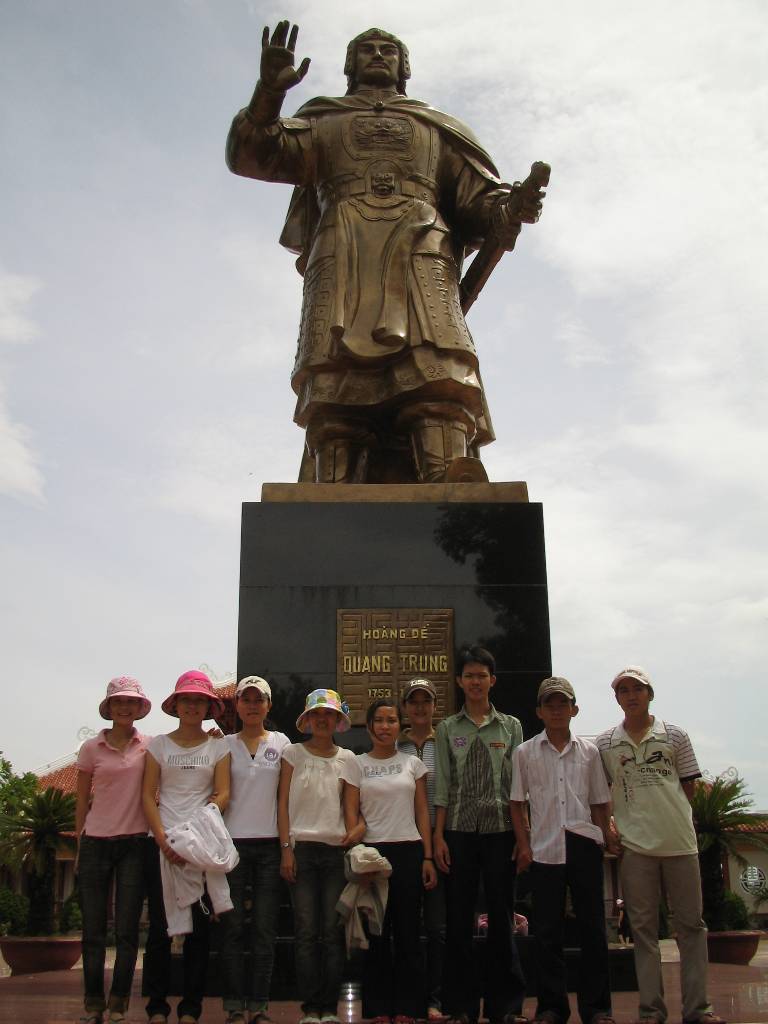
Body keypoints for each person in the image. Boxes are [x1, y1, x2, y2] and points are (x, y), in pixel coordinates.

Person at [226, 22, 545, 483]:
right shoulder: (324, 119)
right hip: (344, 248)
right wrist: (267, 96)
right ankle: (331, 486)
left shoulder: (433, 126)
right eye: (367, 50)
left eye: (389, 50)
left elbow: (477, 200)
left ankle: (446, 475)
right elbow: (254, 153)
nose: (378, 55)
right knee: (336, 381)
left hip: (423, 248)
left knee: (439, 369)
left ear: (404, 67)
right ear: (350, 67)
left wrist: (510, 205)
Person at [596, 667, 725, 1024]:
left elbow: (687, 786)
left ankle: (698, 1009)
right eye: (623, 690)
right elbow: (602, 792)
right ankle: (651, 1010)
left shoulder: (675, 736)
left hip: (680, 844)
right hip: (636, 847)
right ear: (617, 698)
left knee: (691, 927)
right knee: (643, 931)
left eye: (637, 688)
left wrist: (674, 817)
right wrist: (611, 826)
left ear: (650, 693)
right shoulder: (606, 742)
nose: (631, 695)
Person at [510, 676, 616, 1024]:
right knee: (547, 933)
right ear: (539, 711)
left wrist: (606, 837)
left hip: (583, 842)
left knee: (592, 929)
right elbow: (516, 804)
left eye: (563, 703)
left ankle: (597, 1008)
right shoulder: (525, 752)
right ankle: (552, 1007)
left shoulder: (589, 751)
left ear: (574, 709)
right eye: (549, 704)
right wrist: (524, 845)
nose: (557, 709)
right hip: (544, 847)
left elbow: (600, 802)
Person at [433, 646, 527, 1024]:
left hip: (501, 832)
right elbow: (442, 787)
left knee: (502, 919)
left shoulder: (511, 726)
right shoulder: (447, 728)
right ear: (459, 681)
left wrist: (523, 839)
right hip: (458, 832)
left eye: (481, 675)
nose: (475, 681)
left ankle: (505, 1006)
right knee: (458, 921)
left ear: (492, 680)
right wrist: (438, 837)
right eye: (468, 675)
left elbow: (518, 790)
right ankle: (461, 1006)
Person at [141, 670, 231, 1024]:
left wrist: (198, 829)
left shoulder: (217, 746)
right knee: (160, 928)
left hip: (201, 844)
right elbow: (148, 795)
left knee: (199, 929)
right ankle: (157, 1005)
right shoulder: (159, 746)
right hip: (161, 843)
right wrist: (163, 839)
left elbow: (223, 793)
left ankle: (191, 1007)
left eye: (199, 700)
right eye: (187, 699)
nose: (192, 706)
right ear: (176, 704)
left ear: (209, 707)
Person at [347, 697, 437, 1024]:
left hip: (409, 850)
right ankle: (377, 1007)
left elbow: (422, 812)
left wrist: (427, 856)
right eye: (379, 721)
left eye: (391, 720)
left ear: (401, 726)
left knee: (409, 933)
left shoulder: (412, 765)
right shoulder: (355, 764)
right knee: (376, 934)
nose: (385, 726)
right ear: (369, 726)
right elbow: (352, 813)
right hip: (373, 855)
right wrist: (357, 857)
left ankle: (408, 1007)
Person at [277, 689, 362, 1024]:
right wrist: (286, 849)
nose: (323, 719)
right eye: (317, 714)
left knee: (330, 932)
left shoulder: (349, 759)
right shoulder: (292, 754)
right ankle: (310, 1007)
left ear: (338, 720)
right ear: (308, 719)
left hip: (334, 852)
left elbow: (351, 810)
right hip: (301, 850)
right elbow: (282, 803)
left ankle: (329, 1007)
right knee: (306, 931)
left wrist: (355, 835)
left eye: (329, 714)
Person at [75, 677, 153, 1024]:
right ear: (109, 708)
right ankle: (93, 1004)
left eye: (131, 703)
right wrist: (80, 842)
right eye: (119, 702)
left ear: (139, 709)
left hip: (135, 843)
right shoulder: (91, 748)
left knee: (126, 930)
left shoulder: (149, 746)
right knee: (93, 930)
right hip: (95, 843)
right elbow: (81, 800)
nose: (125, 708)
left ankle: (119, 1002)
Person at [219, 676, 291, 1024]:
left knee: (264, 929)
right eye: (246, 699)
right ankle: (234, 1004)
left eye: (258, 700)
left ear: (268, 705)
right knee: (232, 928)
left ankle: (259, 1005)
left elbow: (286, 798)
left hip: (269, 846)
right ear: (237, 705)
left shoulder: (281, 742)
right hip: (231, 846)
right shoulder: (224, 745)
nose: (252, 705)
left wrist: (286, 846)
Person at [398, 677, 446, 1022]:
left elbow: (447, 790)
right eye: (413, 701)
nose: (419, 707)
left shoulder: (445, 741)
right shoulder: (393, 744)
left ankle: (436, 999)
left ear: (434, 706)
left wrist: (439, 837)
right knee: (404, 928)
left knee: (437, 927)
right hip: (402, 843)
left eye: (425, 701)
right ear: (405, 708)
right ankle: (410, 999)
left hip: (438, 840)